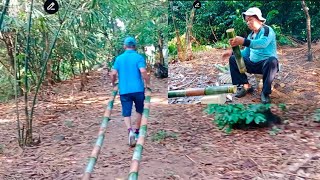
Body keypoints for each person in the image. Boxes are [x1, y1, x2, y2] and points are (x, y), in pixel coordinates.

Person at [222, 7, 279, 104]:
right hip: (253, 64)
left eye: (250, 20)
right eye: (247, 21)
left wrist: (243, 41)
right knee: (233, 59)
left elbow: (262, 43)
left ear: (259, 20)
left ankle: (265, 93)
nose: (248, 23)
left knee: (272, 61)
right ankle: (245, 85)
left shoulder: (267, 30)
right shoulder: (251, 35)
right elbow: (246, 53)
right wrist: (231, 53)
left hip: (265, 65)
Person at [110, 36, 150, 147]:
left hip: (124, 90)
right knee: (139, 110)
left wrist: (113, 83)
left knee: (126, 112)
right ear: (135, 46)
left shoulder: (119, 59)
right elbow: (143, 71)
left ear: (124, 46)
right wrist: (148, 84)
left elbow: (113, 73)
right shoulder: (139, 57)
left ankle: (130, 131)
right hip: (138, 90)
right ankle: (137, 132)